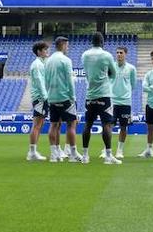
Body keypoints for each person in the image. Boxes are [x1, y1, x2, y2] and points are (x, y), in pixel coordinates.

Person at [79, 32, 120, 164]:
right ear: (102, 42)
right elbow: (113, 73)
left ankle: (85, 156)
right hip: (104, 94)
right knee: (106, 124)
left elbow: (87, 72)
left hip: (90, 94)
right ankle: (108, 156)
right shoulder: (107, 55)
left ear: (92, 42)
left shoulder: (84, 55)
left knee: (88, 124)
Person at [44, 36, 78, 162]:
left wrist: (49, 94)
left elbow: (46, 80)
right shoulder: (66, 60)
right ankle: (72, 153)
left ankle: (54, 154)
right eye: (67, 45)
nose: (67, 48)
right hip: (65, 97)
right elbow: (70, 81)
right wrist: (72, 97)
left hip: (52, 97)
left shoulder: (48, 61)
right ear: (63, 45)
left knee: (53, 125)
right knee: (71, 124)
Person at [109, 45, 137, 160]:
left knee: (123, 126)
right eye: (117, 53)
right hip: (112, 101)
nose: (119, 55)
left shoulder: (131, 68)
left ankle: (119, 150)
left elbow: (133, 85)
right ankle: (107, 150)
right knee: (108, 126)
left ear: (126, 54)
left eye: (121, 53)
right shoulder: (111, 67)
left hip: (125, 102)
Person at [26, 40, 49, 162]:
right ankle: (32, 152)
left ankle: (33, 151)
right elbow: (39, 82)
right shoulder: (37, 65)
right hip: (40, 98)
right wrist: (45, 97)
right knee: (37, 125)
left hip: (40, 97)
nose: (47, 51)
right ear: (39, 51)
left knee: (39, 125)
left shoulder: (41, 64)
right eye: (45, 49)